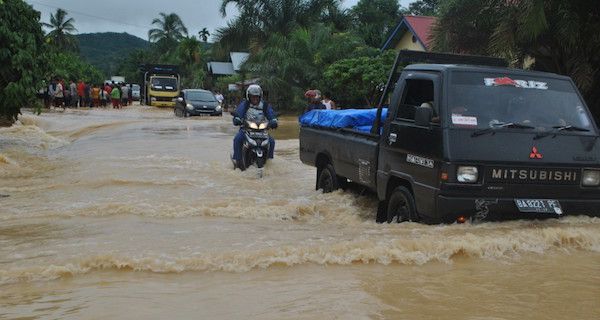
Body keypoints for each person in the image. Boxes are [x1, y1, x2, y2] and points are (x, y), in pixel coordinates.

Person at [232, 84, 278, 163]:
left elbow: (271, 115)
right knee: (237, 139)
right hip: (246, 129)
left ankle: (269, 161)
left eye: (257, 96)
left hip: (262, 131)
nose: (255, 98)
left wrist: (274, 121)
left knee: (271, 141)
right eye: (253, 96)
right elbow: (239, 113)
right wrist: (237, 119)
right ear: (248, 96)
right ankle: (237, 160)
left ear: (260, 96)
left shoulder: (265, 106)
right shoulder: (245, 105)